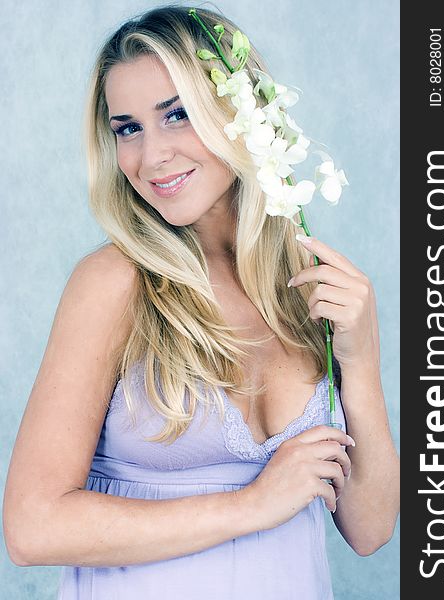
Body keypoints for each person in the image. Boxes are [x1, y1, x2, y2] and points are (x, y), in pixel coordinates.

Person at [3, 5, 400, 599]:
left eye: (177, 115)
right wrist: (251, 505)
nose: (151, 155)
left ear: (243, 112)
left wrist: (362, 363)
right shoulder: (117, 283)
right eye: (128, 128)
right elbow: (31, 527)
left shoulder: (307, 285)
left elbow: (369, 530)